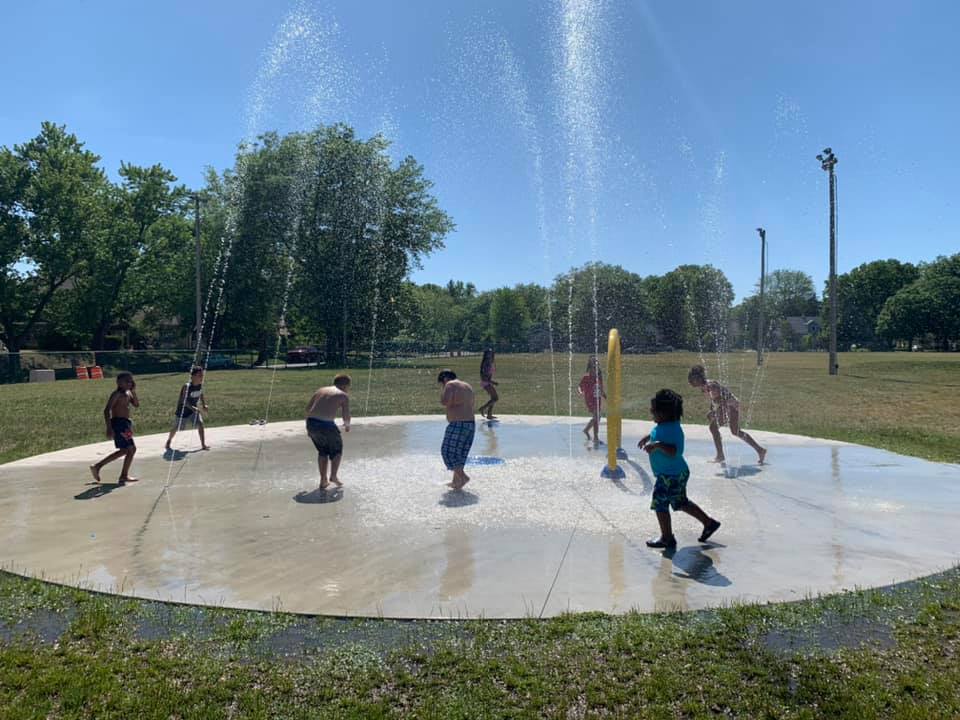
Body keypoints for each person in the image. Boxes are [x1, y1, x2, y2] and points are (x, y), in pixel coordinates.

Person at [638, 389, 721, 549]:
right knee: (680, 502)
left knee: (660, 503)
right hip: (672, 473)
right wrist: (649, 437)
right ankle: (709, 523)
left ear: (664, 413)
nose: (650, 411)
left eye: (654, 410)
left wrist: (657, 445)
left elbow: (676, 451)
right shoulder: (663, 425)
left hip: (672, 475)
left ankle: (667, 538)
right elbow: (658, 434)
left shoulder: (675, 429)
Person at [687, 365, 767, 464]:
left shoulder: (711, 385)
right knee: (735, 431)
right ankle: (760, 450)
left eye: (691, 379)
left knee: (714, 428)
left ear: (698, 378)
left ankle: (720, 455)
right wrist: (711, 410)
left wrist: (715, 412)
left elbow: (723, 399)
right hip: (729, 405)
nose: (690, 381)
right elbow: (714, 400)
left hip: (731, 406)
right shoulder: (704, 387)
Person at [90, 372, 140, 484]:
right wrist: (109, 427)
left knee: (126, 450)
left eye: (131, 381)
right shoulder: (116, 394)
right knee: (131, 449)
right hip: (118, 424)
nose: (129, 383)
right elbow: (107, 410)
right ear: (119, 383)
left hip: (125, 424)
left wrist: (133, 391)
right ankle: (122, 475)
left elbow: (136, 404)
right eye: (126, 381)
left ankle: (98, 466)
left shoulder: (128, 393)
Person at [305, 374, 352, 490]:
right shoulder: (343, 395)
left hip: (311, 423)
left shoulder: (320, 390)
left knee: (323, 451)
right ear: (346, 385)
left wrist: (308, 428)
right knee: (337, 451)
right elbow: (346, 414)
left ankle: (323, 480)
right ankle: (333, 476)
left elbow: (307, 409)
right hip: (326, 425)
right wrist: (347, 425)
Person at [438, 369, 476, 490]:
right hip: (470, 424)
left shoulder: (450, 384)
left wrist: (444, 391)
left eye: (441, 384)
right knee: (459, 454)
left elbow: (444, 401)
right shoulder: (467, 386)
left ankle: (463, 476)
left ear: (444, 379)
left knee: (447, 451)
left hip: (458, 424)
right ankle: (456, 482)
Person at [165, 366, 209, 451]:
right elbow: (183, 400)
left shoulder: (200, 385)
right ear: (193, 376)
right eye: (199, 375)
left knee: (200, 423)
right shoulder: (187, 386)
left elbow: (201, 394)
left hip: (193, 411)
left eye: (202, 375)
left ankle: (203, 445)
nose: (201, 377)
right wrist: (193, 408)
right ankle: (169, 440)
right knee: (177, 428)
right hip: (183, 411)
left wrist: (204, 405)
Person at [577, 355, 606, 444]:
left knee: (597, 417)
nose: (595, 364)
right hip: (589, 398)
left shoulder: (599, 375)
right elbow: (579, 386)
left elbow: (601, 388)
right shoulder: (586, 376)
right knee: (596, 417)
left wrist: (605, 396)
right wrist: (580, 391)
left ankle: (586, 430)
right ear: (590, 365)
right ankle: (595, 437)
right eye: (593, 362)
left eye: (596, 362)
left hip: (597, 398)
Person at [476, 349, 498, 420]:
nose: (490, 355)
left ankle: (489, 415)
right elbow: (484, 377)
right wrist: (492, 382)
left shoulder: (490, 362)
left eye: (491, 353)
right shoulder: (486, 363)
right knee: (495, 398)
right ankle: (482, 408)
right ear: (486, 355)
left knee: (493, 399)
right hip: (486, 383)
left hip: (488, 382)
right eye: (489, 354)